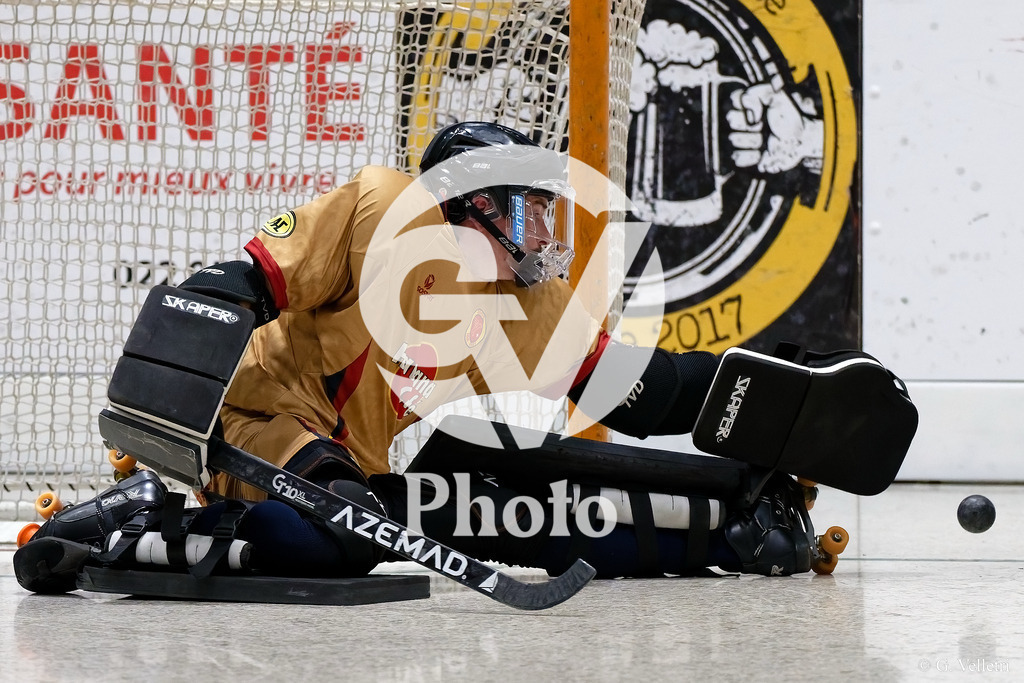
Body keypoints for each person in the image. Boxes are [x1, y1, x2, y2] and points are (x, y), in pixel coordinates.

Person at [16, 122, 816, 591]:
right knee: (348, 533)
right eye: (529, 209)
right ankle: (143, 515)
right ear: (474, 203)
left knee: (490, 504)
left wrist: (782, 403)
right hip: (257, 413)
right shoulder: (385, 206)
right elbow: (241, 282)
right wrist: (166, 407)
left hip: (352, 465)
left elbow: (637, 390)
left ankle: (733, 529)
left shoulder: (524, 303)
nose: (544, 231)